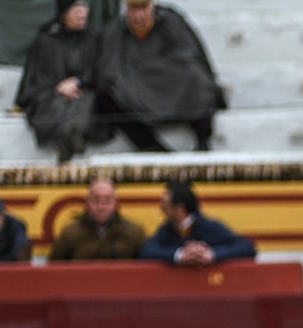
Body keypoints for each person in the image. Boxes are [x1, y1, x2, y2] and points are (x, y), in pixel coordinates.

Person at [93, 0, 226, 152]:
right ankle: (150, 146)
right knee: (107, 95)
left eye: (143, 8)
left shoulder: (171, 21)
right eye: (134, 9)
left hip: (172, 82)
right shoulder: (115, 31)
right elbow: (109, 70)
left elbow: (189, 56)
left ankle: (203, 139)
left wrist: (155, 69)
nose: (139, 16)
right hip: (136, 87)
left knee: (197, 79)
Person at [15, 0, 108, 163]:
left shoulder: (95, 39)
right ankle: (67, 136)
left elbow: (100, 71)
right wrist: (59, 87)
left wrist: (79, 82)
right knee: (54, 103)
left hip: (85, 91)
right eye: (76, 9)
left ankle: (68, 137)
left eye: (84, 8)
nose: (81, 13)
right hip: (51, 92)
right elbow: (35, 80)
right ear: (64, 13)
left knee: (86, 102)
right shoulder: (45, 41)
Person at [138, 180, 257, 267]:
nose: (162, 210)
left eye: (165, 205)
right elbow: (147, 251)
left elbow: (247, 247)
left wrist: (211, 254)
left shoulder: (209, 227)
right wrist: (180, 255)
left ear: (179, 209)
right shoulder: (166, 230)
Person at [48, 177, 147, 261]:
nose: (101, 207)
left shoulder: (134, 233)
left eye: (107, 201)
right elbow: (53, 269)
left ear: (116, 204)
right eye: (96, 200)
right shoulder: (70, 233)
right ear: (87, 203)